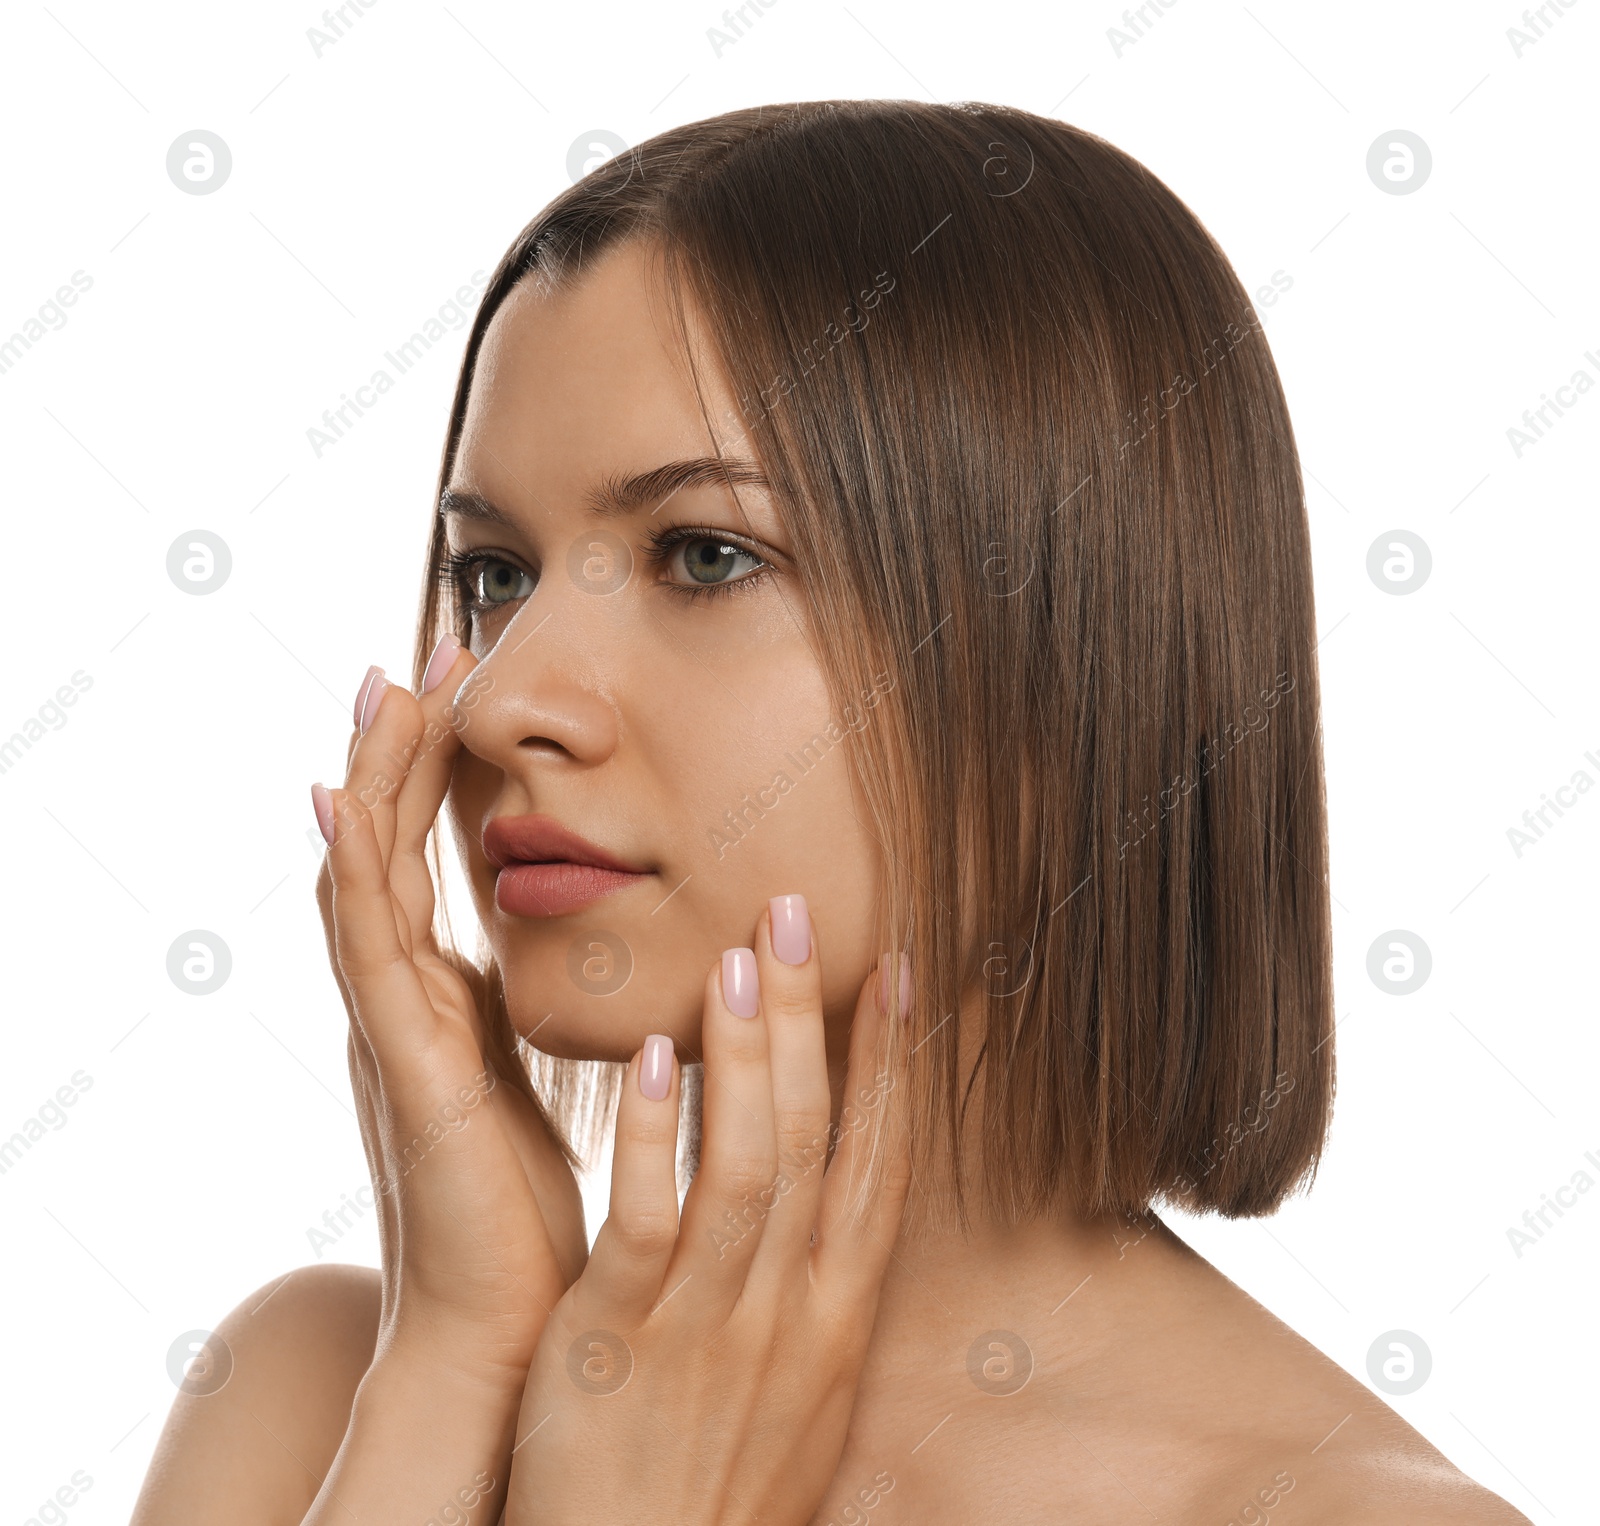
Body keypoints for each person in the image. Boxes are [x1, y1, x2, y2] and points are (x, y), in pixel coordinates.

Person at [131, 100, 1531, 1524]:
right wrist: (450, 1362)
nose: (499, 704)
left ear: (1070, 659)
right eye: (494, 573)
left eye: (704, 553)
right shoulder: (317, 1393)